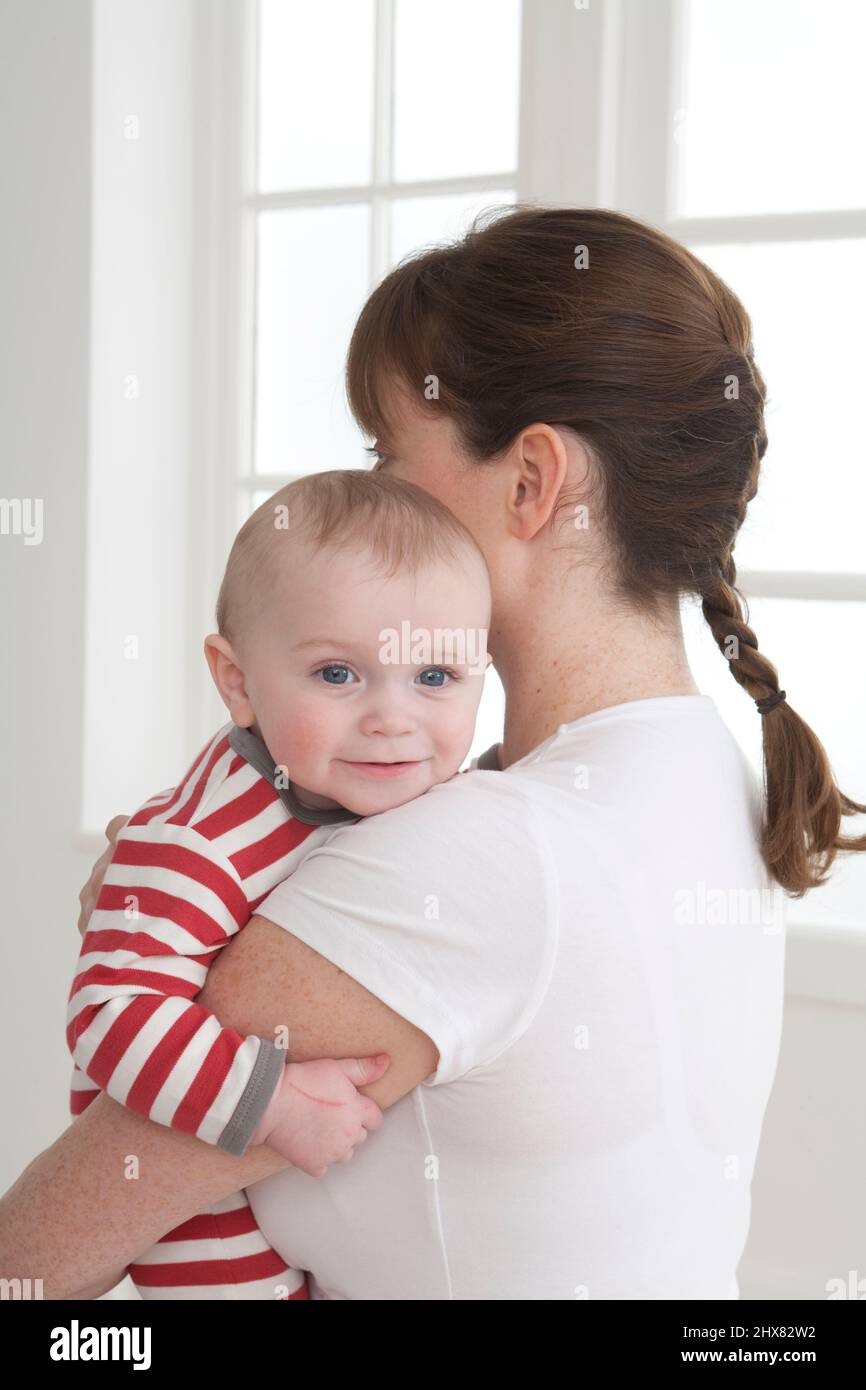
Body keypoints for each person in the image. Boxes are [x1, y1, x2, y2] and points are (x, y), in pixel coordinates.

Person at [2, 206, 864, 1300]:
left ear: (529, 481)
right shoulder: (711, 774)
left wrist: (148, 896)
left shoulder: (476, 856)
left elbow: (33, 1265)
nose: (368, 495)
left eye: (387, 452)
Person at [66, 468, 493, 1298]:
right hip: (199, 1211)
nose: (393, 718)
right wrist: (273, 1104)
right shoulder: (200, 841)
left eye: (435, 678)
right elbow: (109, 1017)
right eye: (338, 675)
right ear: (237, 684)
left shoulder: (354, 781)